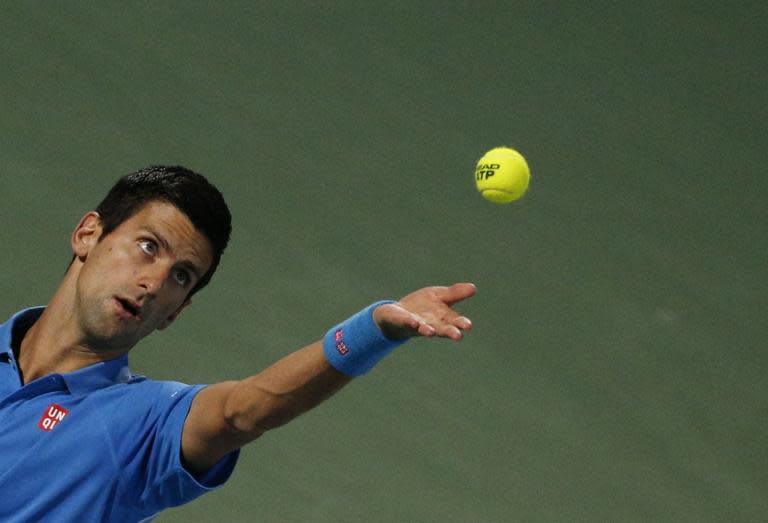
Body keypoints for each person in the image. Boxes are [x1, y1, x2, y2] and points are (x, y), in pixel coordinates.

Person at [0, 166, 476, 522]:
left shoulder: (143, 425)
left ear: (176, 311)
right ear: (88, 234)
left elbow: (241, 411)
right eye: (149, 246)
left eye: (181, 277)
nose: (154, 283)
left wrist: (373, 330)